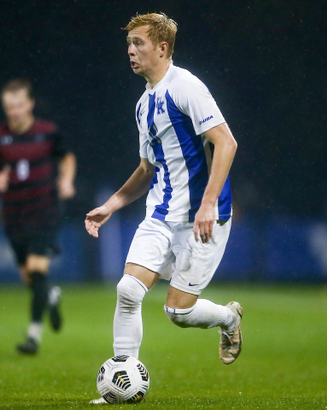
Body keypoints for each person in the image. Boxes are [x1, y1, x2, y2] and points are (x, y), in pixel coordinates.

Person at [85, 13, 242, 403]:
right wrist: (113, 203)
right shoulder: (143, 104)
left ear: (162, 48)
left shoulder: (186, 86)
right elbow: (146, 169)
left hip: (203, 218)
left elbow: (226, 143)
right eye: (129, 44)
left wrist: (207, 204)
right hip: (159, 214)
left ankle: (228, 318)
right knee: (127, 290)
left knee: (178, 314)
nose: (130, 50)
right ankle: (119, 383)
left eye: (139, 43)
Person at [0, 79, 76, 355]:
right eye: (10, 107)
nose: (15, 111)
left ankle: (33, 335)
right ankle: (51, 295)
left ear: (30, 103)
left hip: (45, 211)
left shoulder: (47, 132)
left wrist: (66, 180)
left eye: (19, 105)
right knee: (30, 278)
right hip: (14, 216)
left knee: (36, 268)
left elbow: (66, 157)